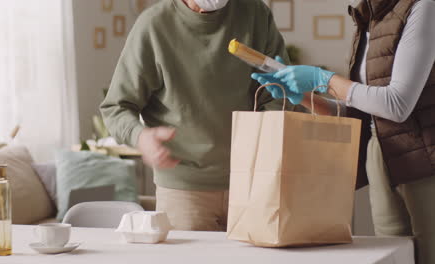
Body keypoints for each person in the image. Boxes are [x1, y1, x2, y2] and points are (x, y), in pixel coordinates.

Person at [251, 0, 435, 263]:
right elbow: (362, 111)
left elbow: (397, 105)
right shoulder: (368, 16)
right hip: (381, 156)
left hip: (424, 161)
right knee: (393, 255)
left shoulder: (424, 7)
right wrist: (302, 97)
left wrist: (323, 79)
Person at [100, 0, 292, 231]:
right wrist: (140, 137)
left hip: (251, 182)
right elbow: (116, 107)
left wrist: (258, 147)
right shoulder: (154, 25)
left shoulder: (255, 14)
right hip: (184, 190)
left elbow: (280, 92)